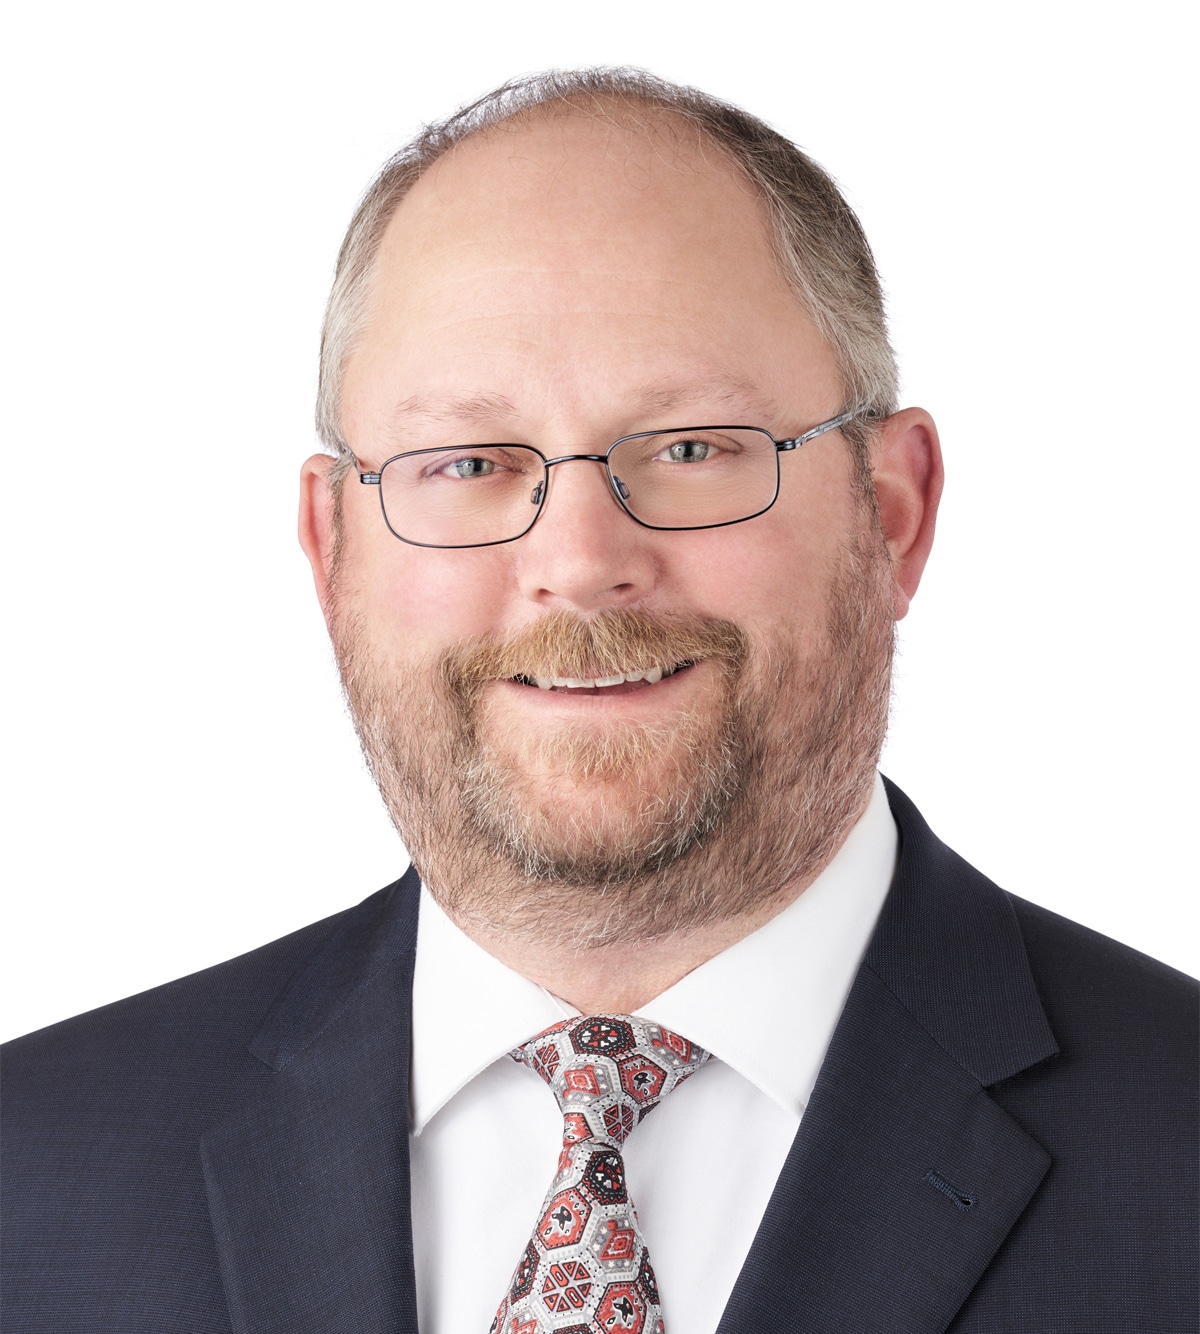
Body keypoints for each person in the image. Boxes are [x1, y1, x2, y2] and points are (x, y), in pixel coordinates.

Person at [3, 68, 1195, 1334]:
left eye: (690, 448)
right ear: (329, 546)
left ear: (891, 512)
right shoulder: (31, 1171)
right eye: (466, 462)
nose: (577, 558)